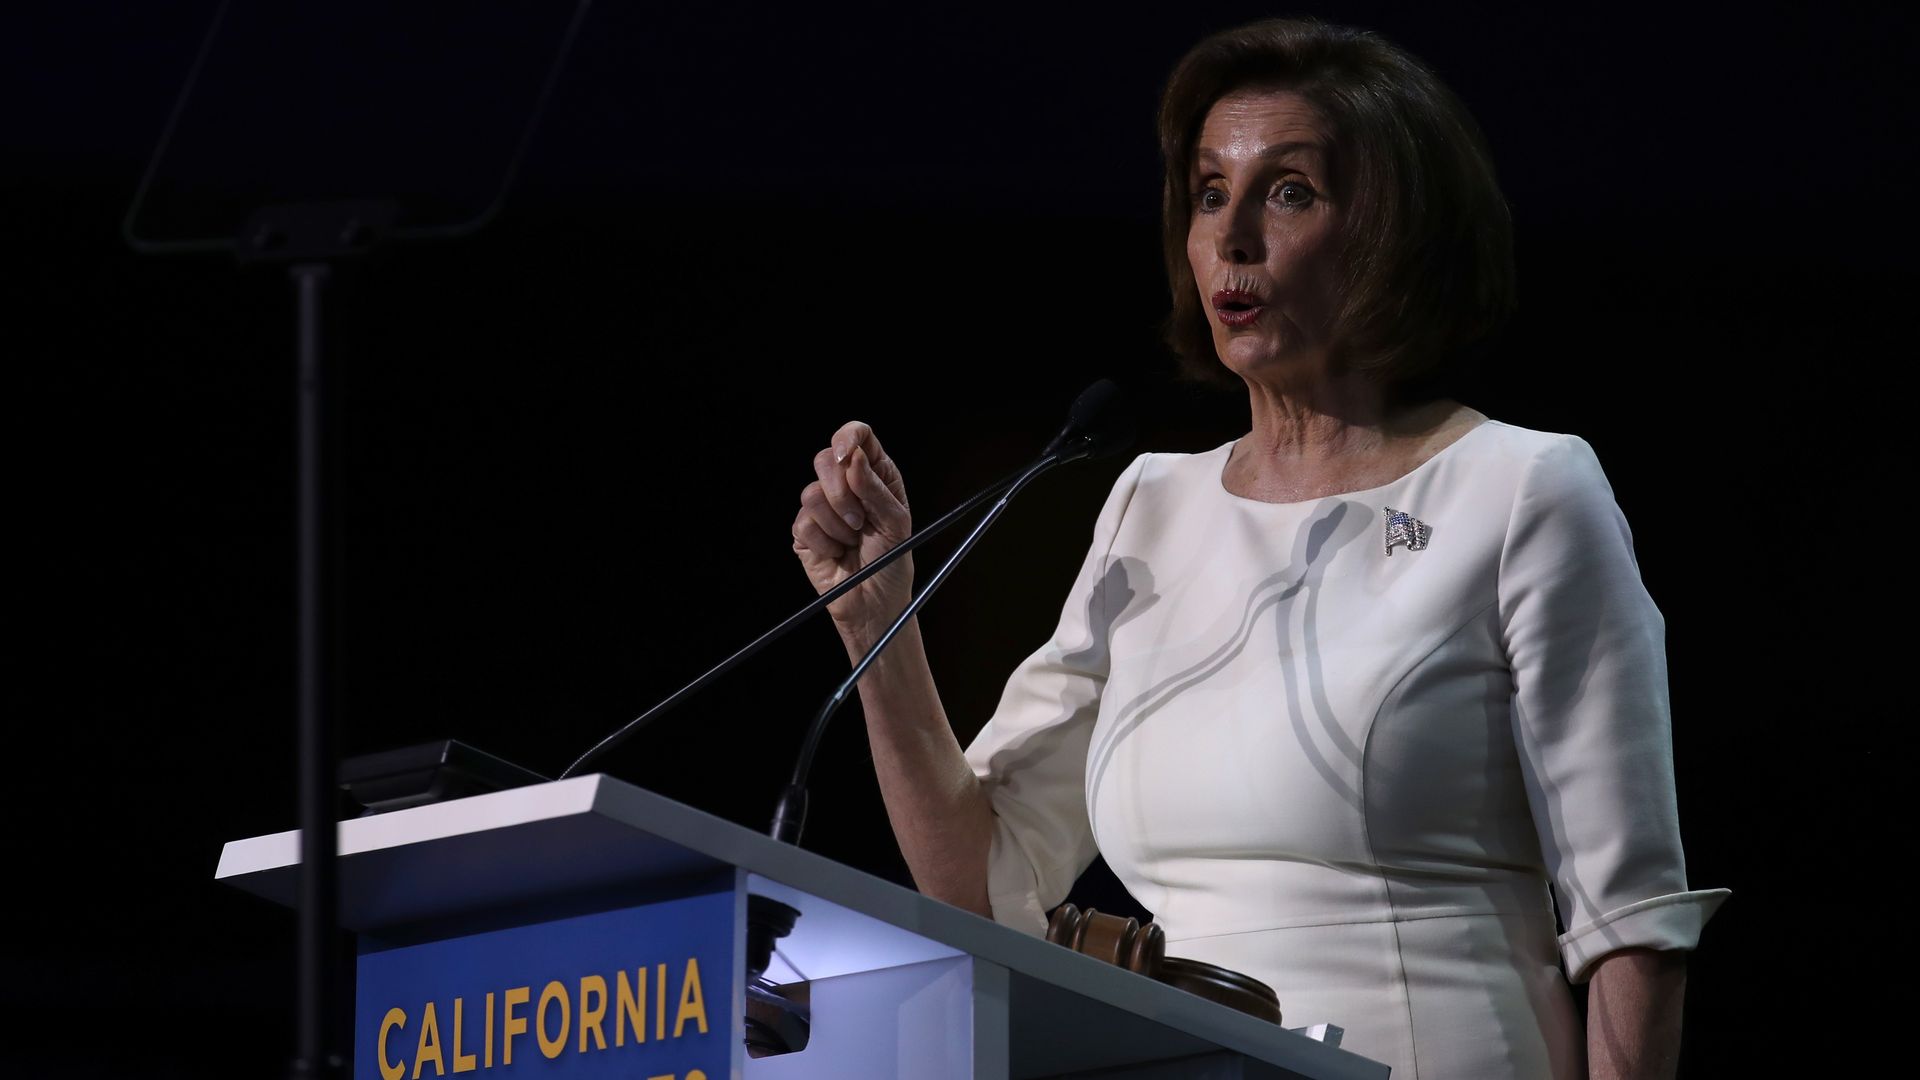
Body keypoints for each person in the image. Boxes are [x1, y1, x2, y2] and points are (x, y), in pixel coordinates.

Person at [789, 18, 1725, 1080]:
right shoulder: (1152, 504)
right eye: (1207, 193)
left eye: (1289, 192)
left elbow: (1632, 924)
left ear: (1393, 232)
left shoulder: (1522, 490)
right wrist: (879, 622)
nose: (1232, 237)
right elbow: (984, 879)